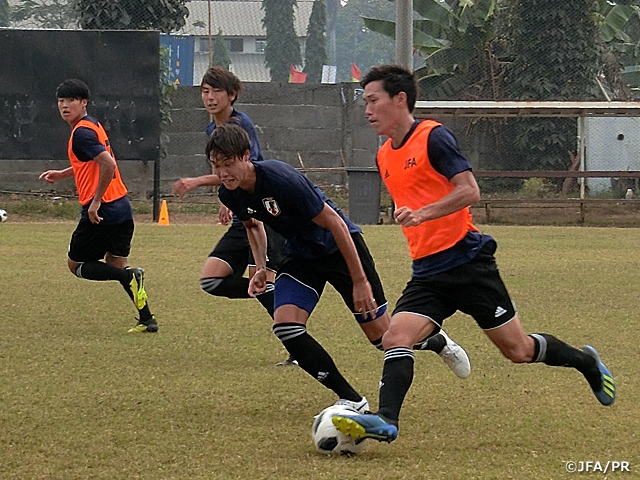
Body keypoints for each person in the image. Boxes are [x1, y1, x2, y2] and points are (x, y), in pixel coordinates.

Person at [332, 65, 617, 444]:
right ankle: (386, 419)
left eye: (373, 100)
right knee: (395, 336)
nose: (366, 109)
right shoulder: (384, 155)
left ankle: (587, 362)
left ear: (399, 99)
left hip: (468, 263)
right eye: (364, 101)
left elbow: (469, 190)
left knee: (518, 350)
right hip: (428, 272)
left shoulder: (433, 137)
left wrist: (423, 213)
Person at [205, 122, 471, 413]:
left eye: (228, 164)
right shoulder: (230, 193)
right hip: (301, 256)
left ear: (245, 156)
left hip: (339, 248)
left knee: (383, 339)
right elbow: (253, 225)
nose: (222, 173)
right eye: (216, 166)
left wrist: (359, 281)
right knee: (286, 327)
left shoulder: (280, 178)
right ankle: (352, 399)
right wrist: (259, 266)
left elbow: (336, 223)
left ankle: (434, 341)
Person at [172, 67, 293, 365]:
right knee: (211, 281)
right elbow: (227, 175)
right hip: (242, 213)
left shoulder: (241, 125)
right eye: (204, 91)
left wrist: (197, 182)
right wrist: (226, 199)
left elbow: (250, 170)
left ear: (232, 95)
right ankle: (275, 291)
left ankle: (295, 342)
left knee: (259, 276)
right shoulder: (211, 130)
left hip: (262, 215)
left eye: (216, 92)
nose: (210, 98)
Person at [39, 79, 157, 333]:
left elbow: (108, 164)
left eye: (71, 100)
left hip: (102, 211)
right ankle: (147, 319)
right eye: (61, 101)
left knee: (76, 265)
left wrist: (95, 202)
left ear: (83, 103)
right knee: (116, 265)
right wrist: (63, 174)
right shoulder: (91, 126)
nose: (64, 106)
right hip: (122, 207)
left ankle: (130, 277)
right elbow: (93, 162)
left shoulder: (80, 132)